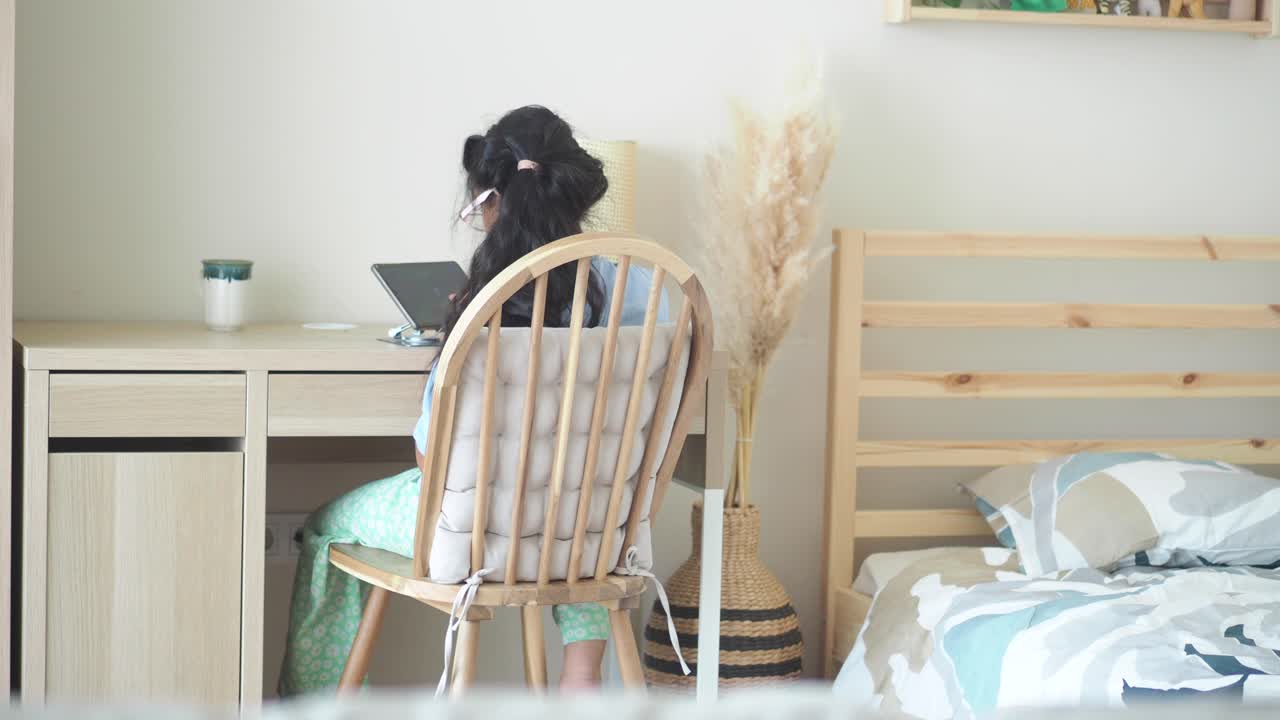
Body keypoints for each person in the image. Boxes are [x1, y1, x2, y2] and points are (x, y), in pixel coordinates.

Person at [279, 105, 667, 695]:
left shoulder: (483, 305)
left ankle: (312, 706)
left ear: (488, 202)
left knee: (324, 525)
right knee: (581, 500)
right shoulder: (646, 288)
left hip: (472, 542)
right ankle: (583, 677)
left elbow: (429, 463)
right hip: (593, 533)